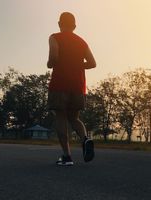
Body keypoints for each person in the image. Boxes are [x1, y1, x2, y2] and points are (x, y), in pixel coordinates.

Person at [47, 12, 96, 166]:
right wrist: (77, 65)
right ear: (74, 26)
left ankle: (67, 156)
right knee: (74, 118)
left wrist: (50, 63)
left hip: (60, 83)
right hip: (78, 85)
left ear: (59, 23)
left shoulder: (54, 37)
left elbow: (54, 58)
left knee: (60, 116)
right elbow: (93, 63)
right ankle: (85, 139)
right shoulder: (82, 42)